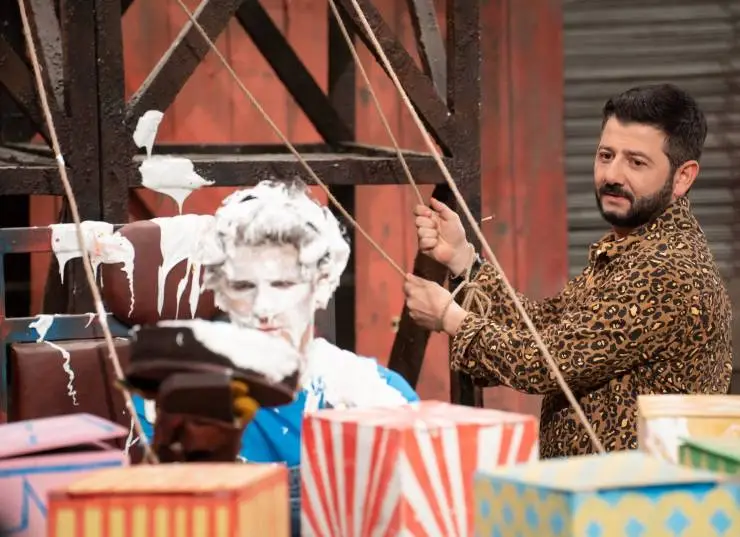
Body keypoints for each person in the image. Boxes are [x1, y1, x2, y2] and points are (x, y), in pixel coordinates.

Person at [403, 83, 732, 458]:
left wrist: (450, 317)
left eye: (636, 162)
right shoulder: (633, 248)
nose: (612, 175)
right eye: (606, 155)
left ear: (683, 177)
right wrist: (463, 259)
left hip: (633, 492)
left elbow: (547, 362)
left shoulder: (667, 269)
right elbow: (544, 327)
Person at [132, 179, 418, 533]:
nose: (263, 308)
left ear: (321, 286)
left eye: (283, 285)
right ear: (220, 293)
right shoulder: (169, 402)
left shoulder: (379, 397)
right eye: (243, 286)